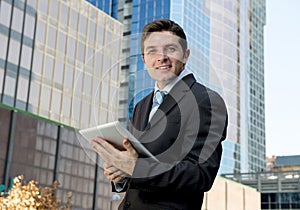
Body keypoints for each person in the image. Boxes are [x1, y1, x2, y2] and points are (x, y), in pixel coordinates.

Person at [91, 19, 228, 210]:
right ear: (144, 59)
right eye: (152, 51)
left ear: (186, 56)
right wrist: (121, 171)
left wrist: (134, 167)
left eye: (170, 49)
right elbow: (138, 165)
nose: (161, 57)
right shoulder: (141, 105)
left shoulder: (206, 100)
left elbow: (200, 174)